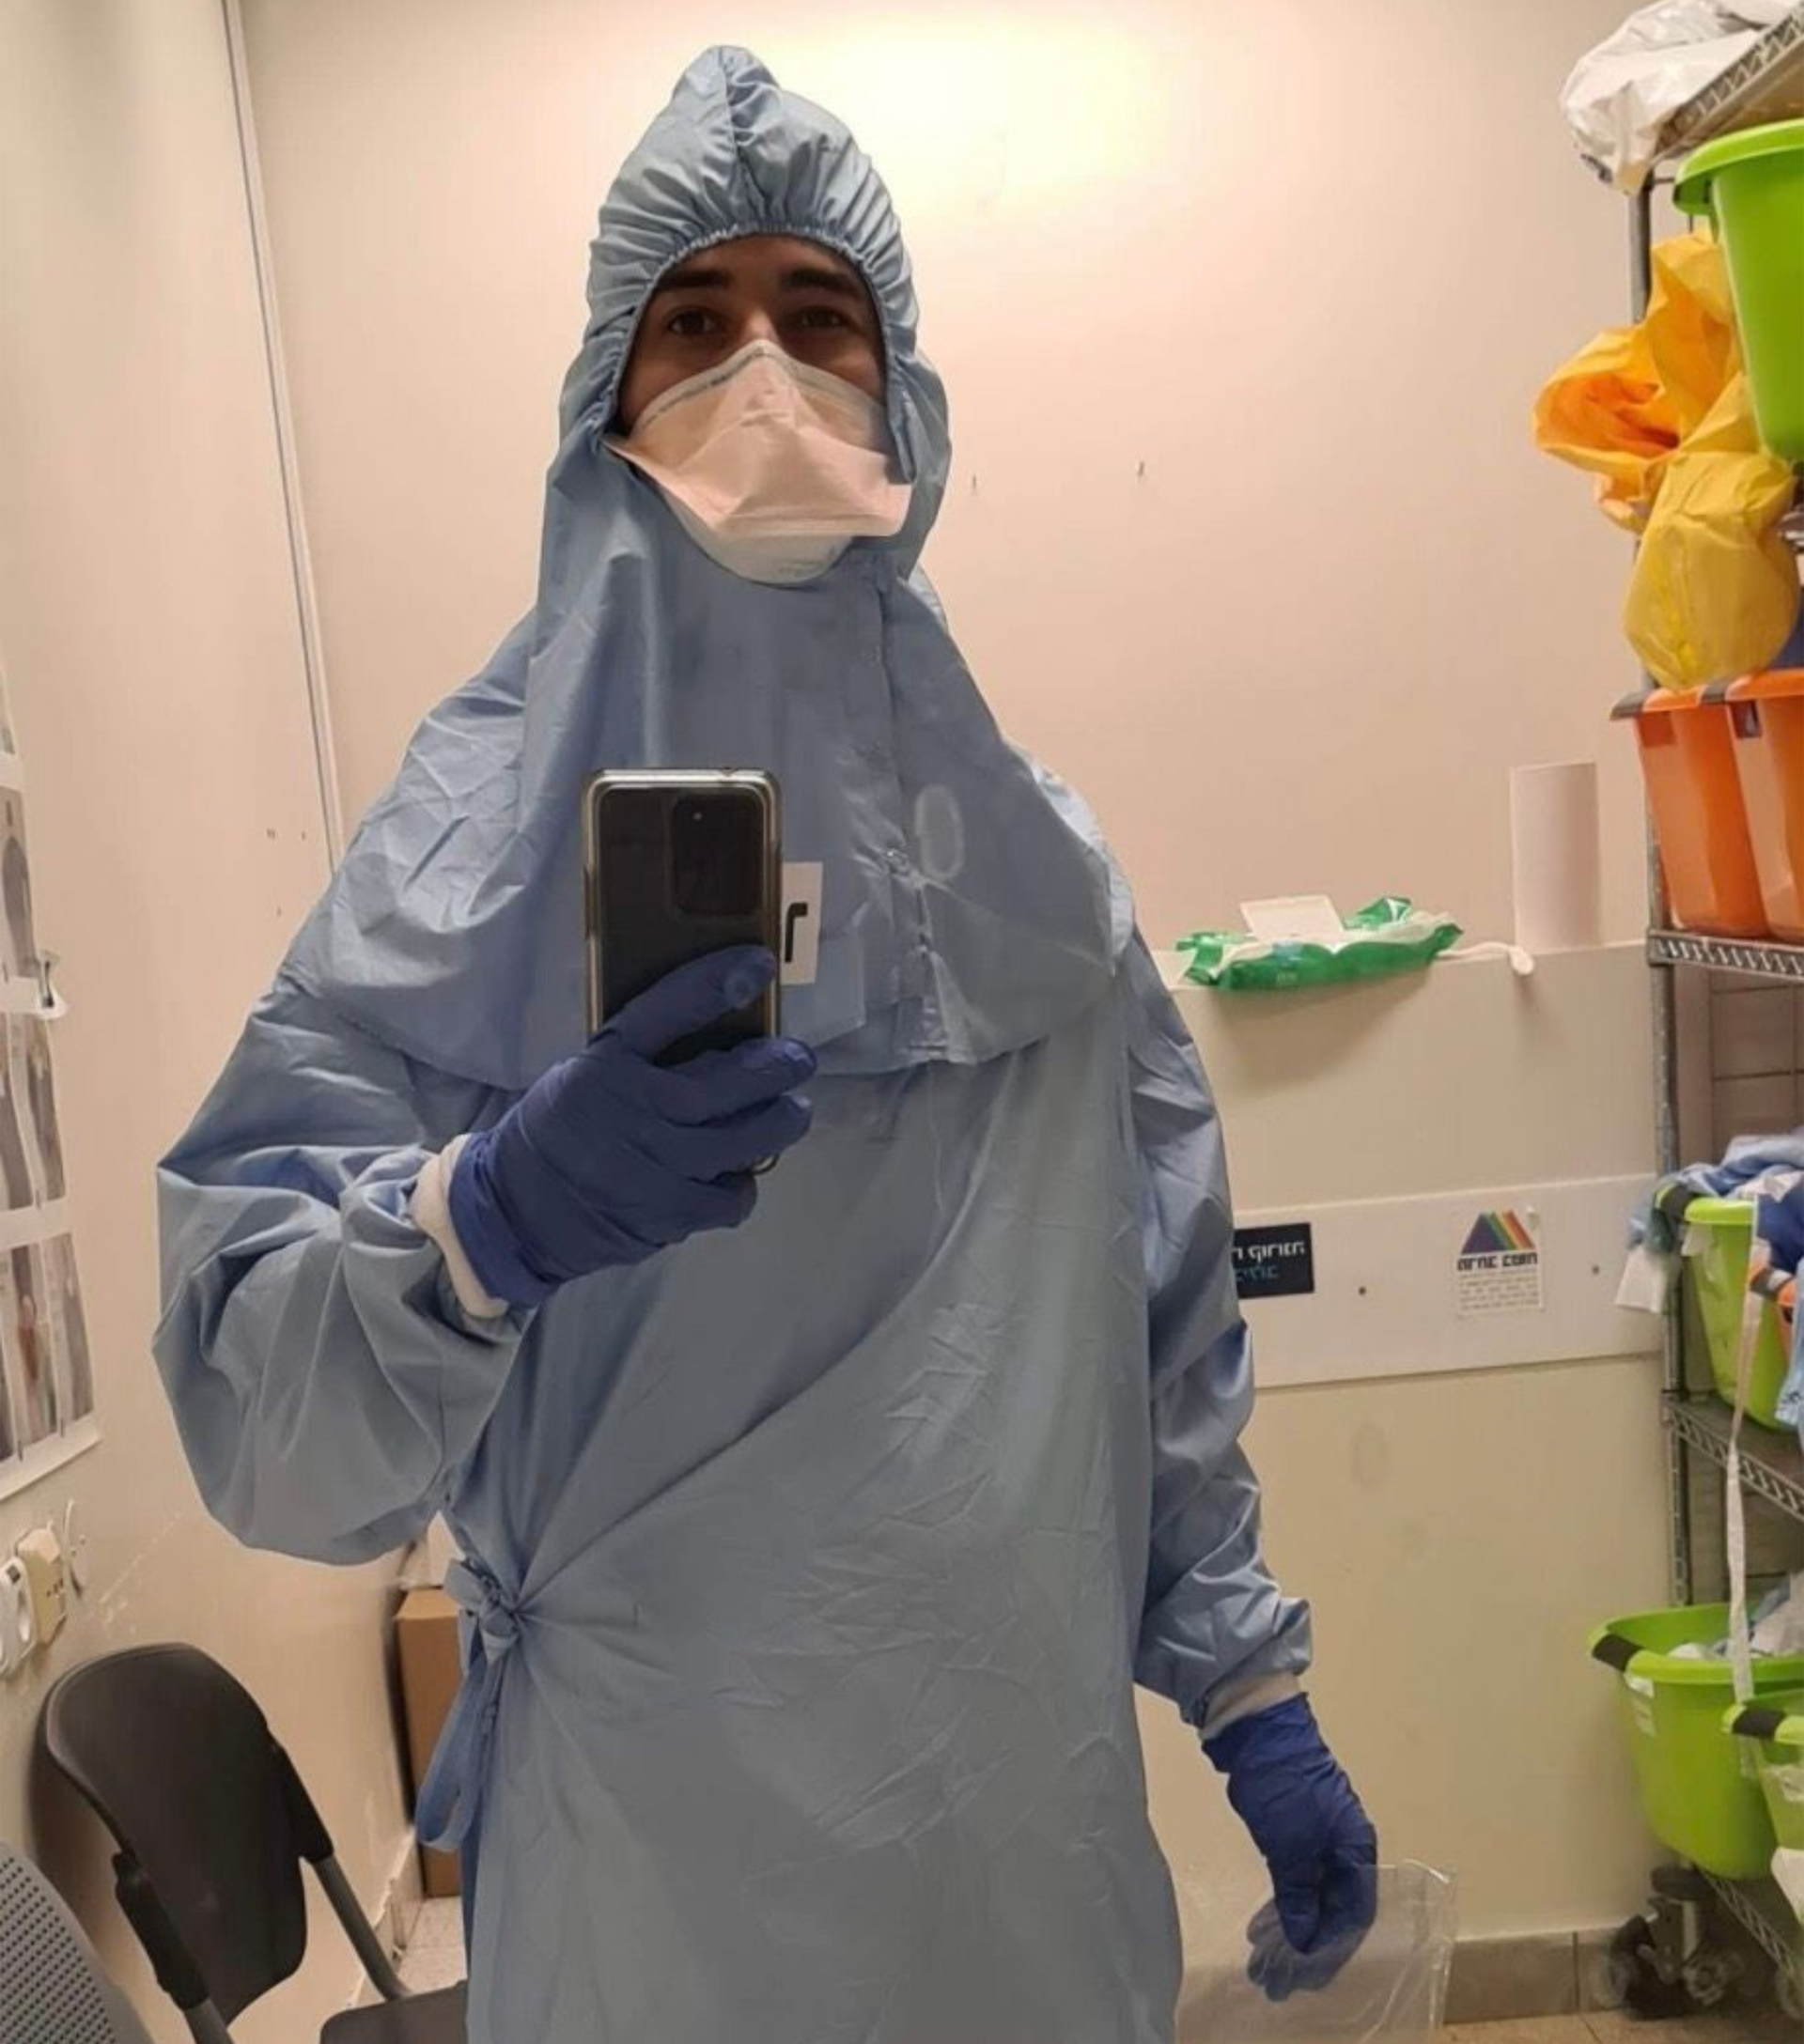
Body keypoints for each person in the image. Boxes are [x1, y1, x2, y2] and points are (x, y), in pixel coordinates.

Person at [155, 48, 1375, 2044]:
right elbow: (263, 1424)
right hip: (657, 1879)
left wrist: (1251, 1688)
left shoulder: (1040, 886)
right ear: (602, 410)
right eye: (696, 324)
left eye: (824, 322)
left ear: (908, 409)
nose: (766, 379)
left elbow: (1151, 1336)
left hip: (1018, 1862)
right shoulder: (453, 874)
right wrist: (478, 1225)